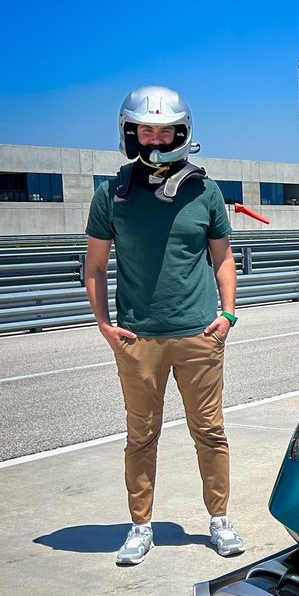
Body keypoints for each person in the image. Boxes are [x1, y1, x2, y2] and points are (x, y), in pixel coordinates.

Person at [85, 85, 245, 566]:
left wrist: (227, 315)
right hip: (138, 337)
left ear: (182, 133)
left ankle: (219, 520)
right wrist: (105, 327)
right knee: (141, 435)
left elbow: (223, 258)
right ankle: (140, 526)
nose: (155, 138)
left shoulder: (204, 190)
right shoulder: (111, 194)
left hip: (199, 333)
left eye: (165, 129)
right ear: (130, 133)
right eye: (146, 129)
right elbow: (93, 266)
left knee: (210, 431)